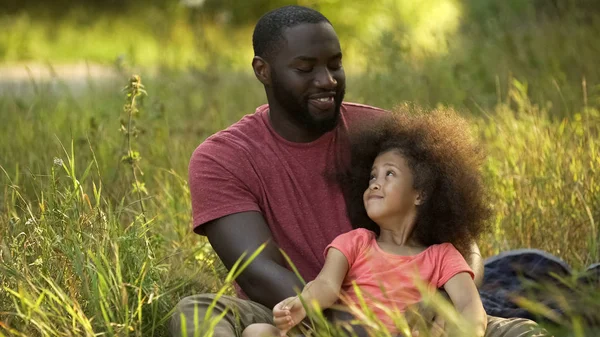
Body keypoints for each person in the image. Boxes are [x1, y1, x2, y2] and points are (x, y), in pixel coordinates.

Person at [170, 5, 547, 337]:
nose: (327, 80)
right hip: (297, 311)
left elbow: (465, 249)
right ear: (262, 71)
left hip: (411, 314)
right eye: (306, 68)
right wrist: (354, 325)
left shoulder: (385, 135)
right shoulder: (222, 157)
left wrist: (438, 305)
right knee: (198, 313)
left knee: (524, 330)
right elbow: (258, 273)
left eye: (335, 64)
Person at [242, 108, 490, 337]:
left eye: (389, 174)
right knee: (258, 332)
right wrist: (303, 304)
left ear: (420, 194)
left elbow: (470, 305)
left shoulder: (442, 256)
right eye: (372, 175)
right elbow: (326, 286)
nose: (374, 183)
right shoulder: (355, 242)